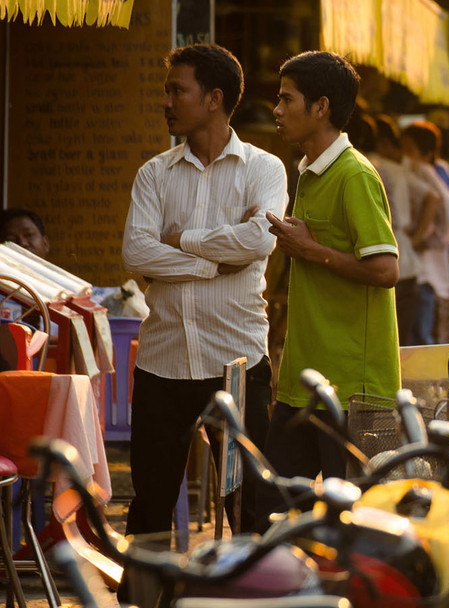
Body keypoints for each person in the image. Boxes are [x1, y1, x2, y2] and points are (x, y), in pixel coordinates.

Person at [119, 43, 287, 561]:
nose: (166, 101)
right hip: (162, 362)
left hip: (236, 361)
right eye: (167, 90)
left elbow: (259, 241)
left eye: (177, 90)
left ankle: (247, 594)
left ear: (213, 99)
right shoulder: (155, 173)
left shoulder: (265, 169)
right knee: (150, 503)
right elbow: (135, 252)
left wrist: (181, 241)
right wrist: (214, 259)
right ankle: (147, 597)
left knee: (247, 502)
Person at [263, 51, 400, 515]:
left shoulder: (355, 174)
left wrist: (310, 250)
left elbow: (386, 270)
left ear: (320, 107)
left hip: (357, 392)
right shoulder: (307, 171)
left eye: (287, 99)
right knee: (271, 513)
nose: (276, 110)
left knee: (359, 528)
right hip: (301, 383)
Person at [363, 114, 437, 346]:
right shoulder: (394, 170)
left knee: (376, 343)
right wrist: (413, 238)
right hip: (405, 264)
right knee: (399, 345)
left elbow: (433, 198)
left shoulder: (362, 166)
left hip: (378, 262)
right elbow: (431, 197)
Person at [402, 121, 449, 344]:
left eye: (408, 148)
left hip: (424, 271)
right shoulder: (436, 171)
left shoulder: (420, 169)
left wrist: (420, 239)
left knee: (421, 340)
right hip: (429, 271)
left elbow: (444, 205)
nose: (404, 153)